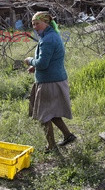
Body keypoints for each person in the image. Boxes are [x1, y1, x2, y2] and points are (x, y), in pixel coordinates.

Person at [24, 11, 76, 152]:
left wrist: (30, 61)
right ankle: (68, 136)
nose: (35, 27)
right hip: (54, 79)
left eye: (37, 23)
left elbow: (42, 63)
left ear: (46, 23)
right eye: (33, 24)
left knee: (44, 115)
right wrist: (35, 67)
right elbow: (48, 61)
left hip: (49, 82)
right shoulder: (51, 36)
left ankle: (51, 146)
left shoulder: (47, 39)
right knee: (51, 113)